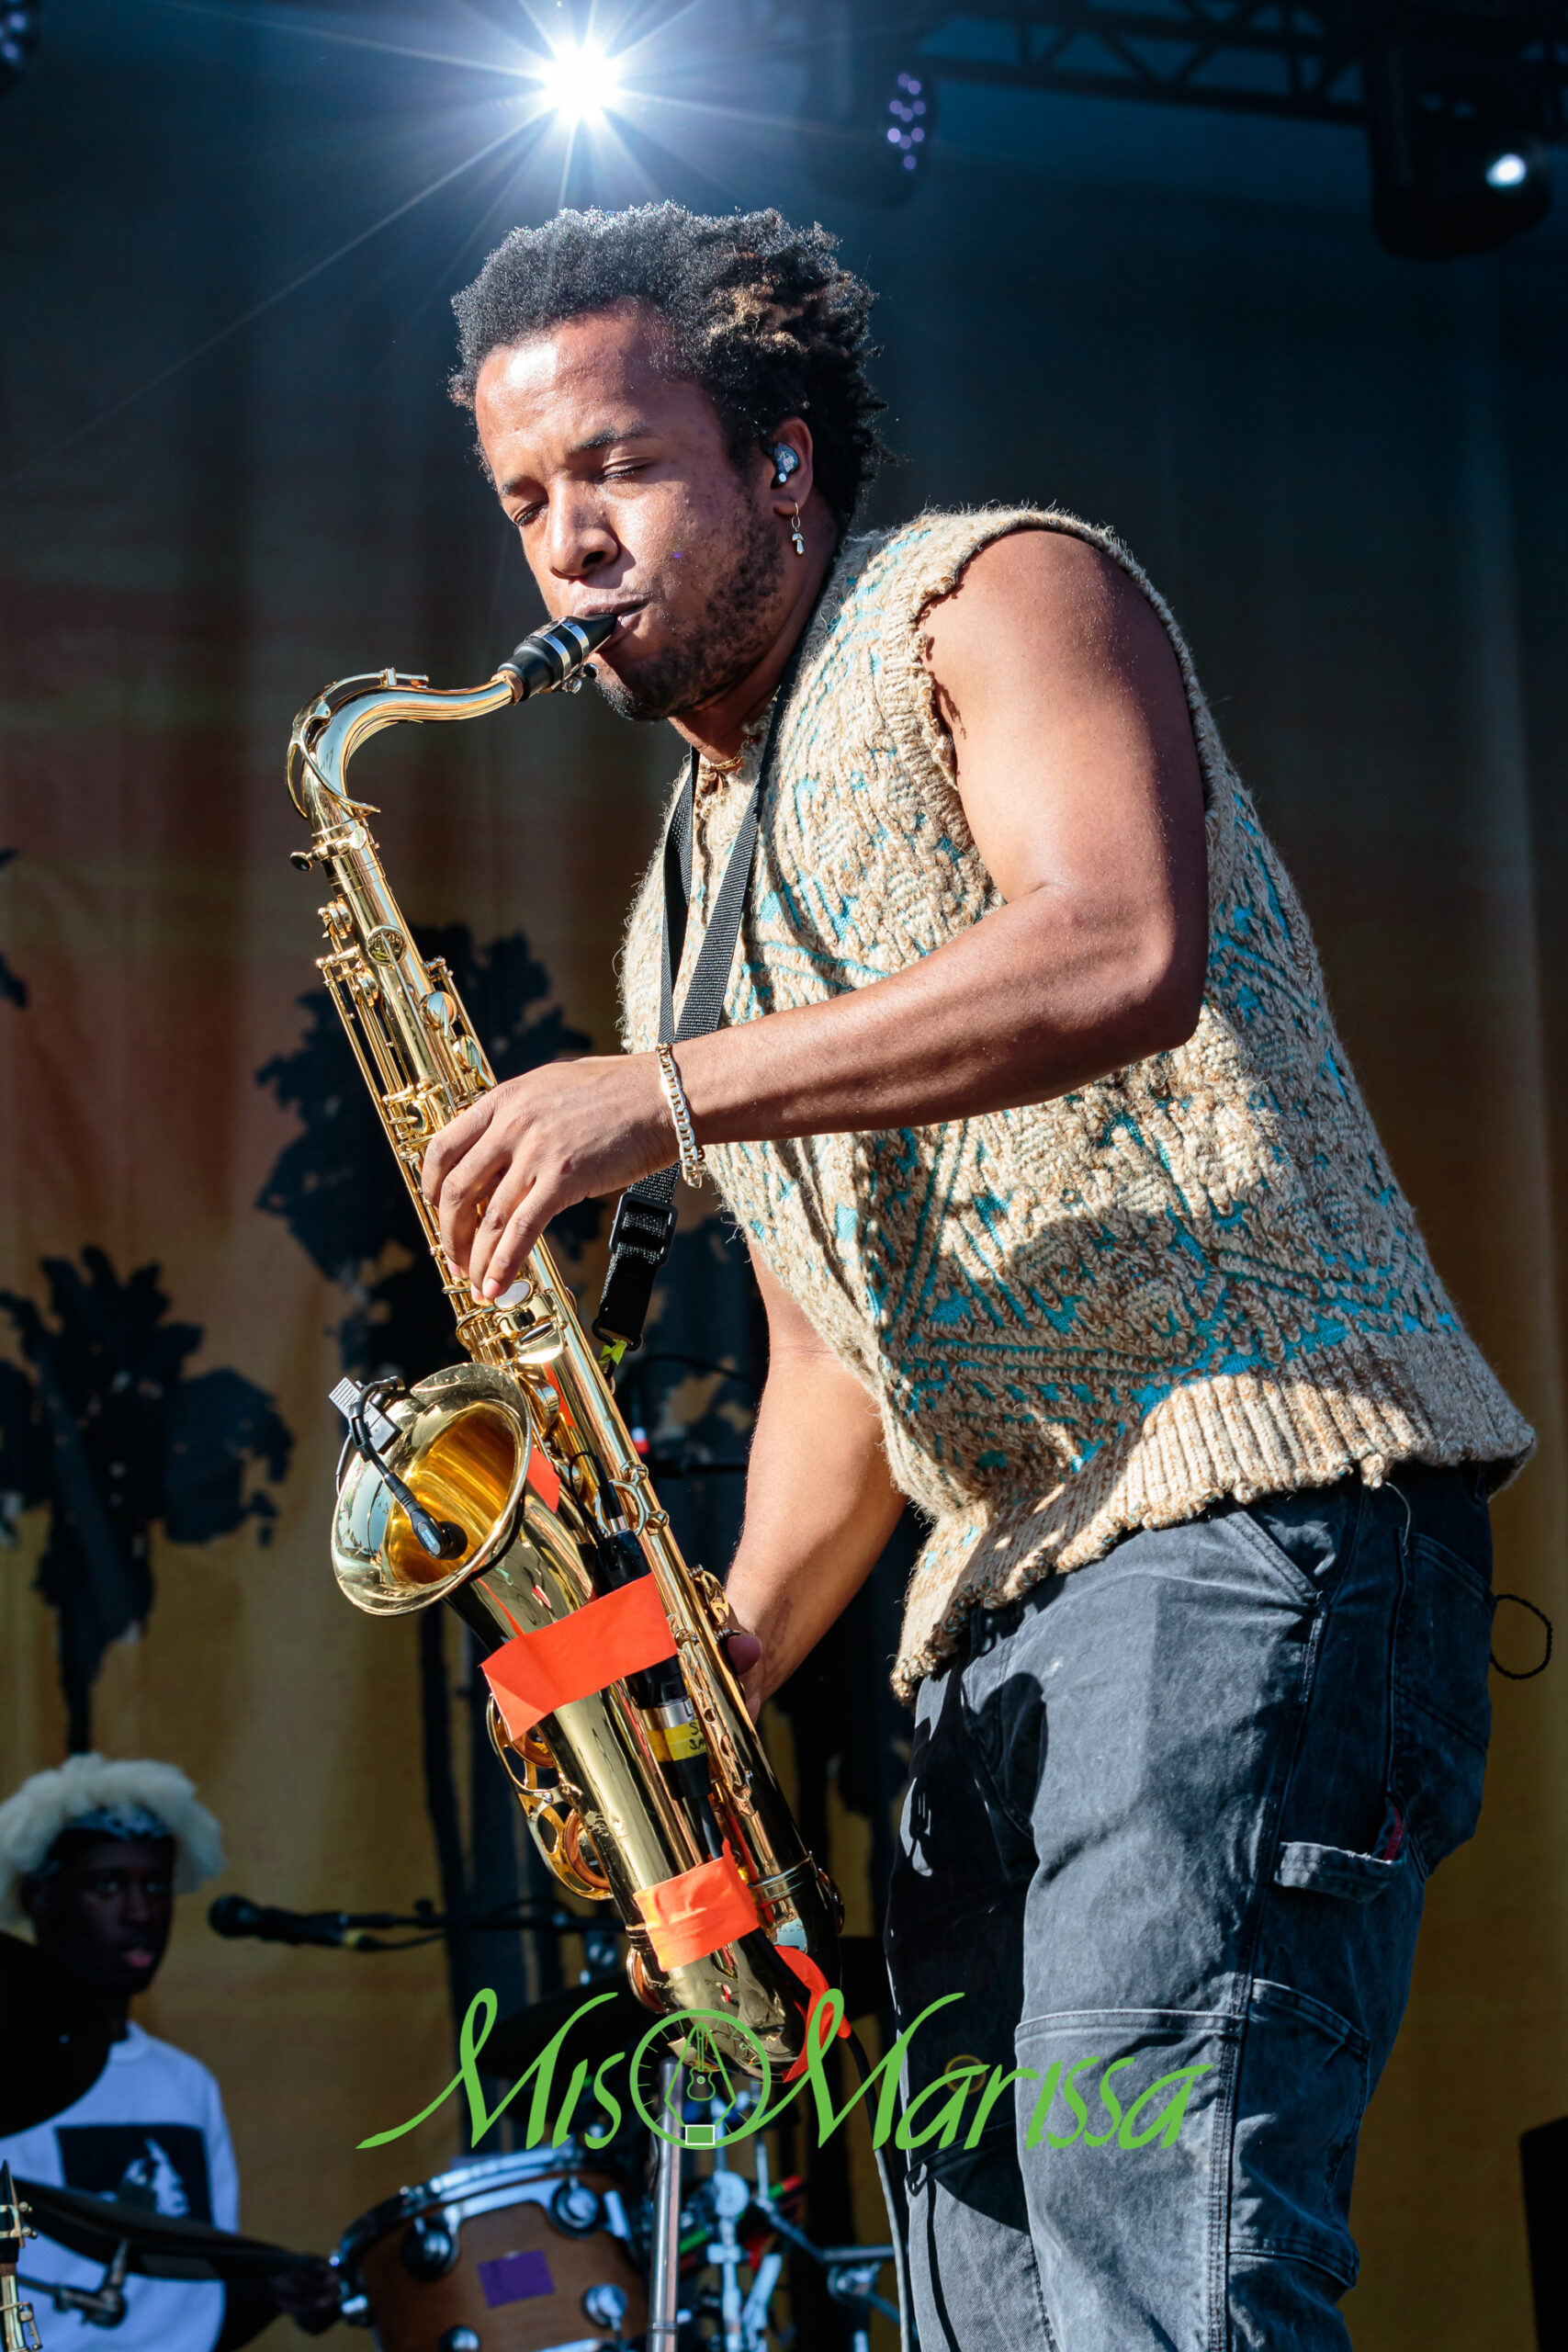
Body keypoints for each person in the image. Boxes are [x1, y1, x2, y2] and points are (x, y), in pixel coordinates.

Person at [417, 203, 1531, 2349]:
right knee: (986, 2304)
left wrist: (657, 1091)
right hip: (991, 1616)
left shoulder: (994, 584)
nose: (564, 539)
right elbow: (847, 1339)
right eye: (522, 498)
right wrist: (731, 1649)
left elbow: (1115, 939)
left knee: (1154, 2264)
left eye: (617, 465)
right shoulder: (683, 903)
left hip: (1231, 1508)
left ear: (780, 455)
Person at [0, 1756, 338, 2347]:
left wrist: (278, 2289)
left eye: (155, 1884)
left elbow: (193, 2304)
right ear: (38, 1899)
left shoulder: (186, 2085)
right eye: (107, 1885)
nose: (141, 1912)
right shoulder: (10, 2073)